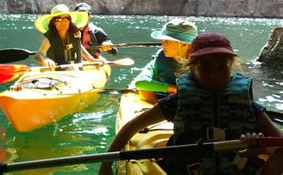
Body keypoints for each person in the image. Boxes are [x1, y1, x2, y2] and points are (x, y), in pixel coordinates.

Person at [99, 33, 282, 175]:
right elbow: (132, 126)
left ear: (231, 67)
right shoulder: (177, 102)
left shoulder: (247, 105)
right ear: (191, 67)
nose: (213, 75)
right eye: (205, 67)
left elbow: (279, 144)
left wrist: (261, 146)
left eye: (221, 67)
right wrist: (106, 165)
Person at [130, 18, 198, 103]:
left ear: (184, 44)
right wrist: (173, 89)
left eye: (167, 41)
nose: (163, 44)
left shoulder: (201, 61)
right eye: (163, 40)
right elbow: (140, 82)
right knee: (144, 90)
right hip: (165, 98)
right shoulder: (161, 59)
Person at [34, 4, 101, 68]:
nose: (63, 22)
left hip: (75, 69)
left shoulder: (75, 34)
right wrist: (45, 60)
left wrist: (91, 59)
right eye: (58, 19)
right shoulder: (49, 39)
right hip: (57, 71)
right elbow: (39, 55)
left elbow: (79, 47)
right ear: (54, 23)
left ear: (70, 21)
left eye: (66, 19)